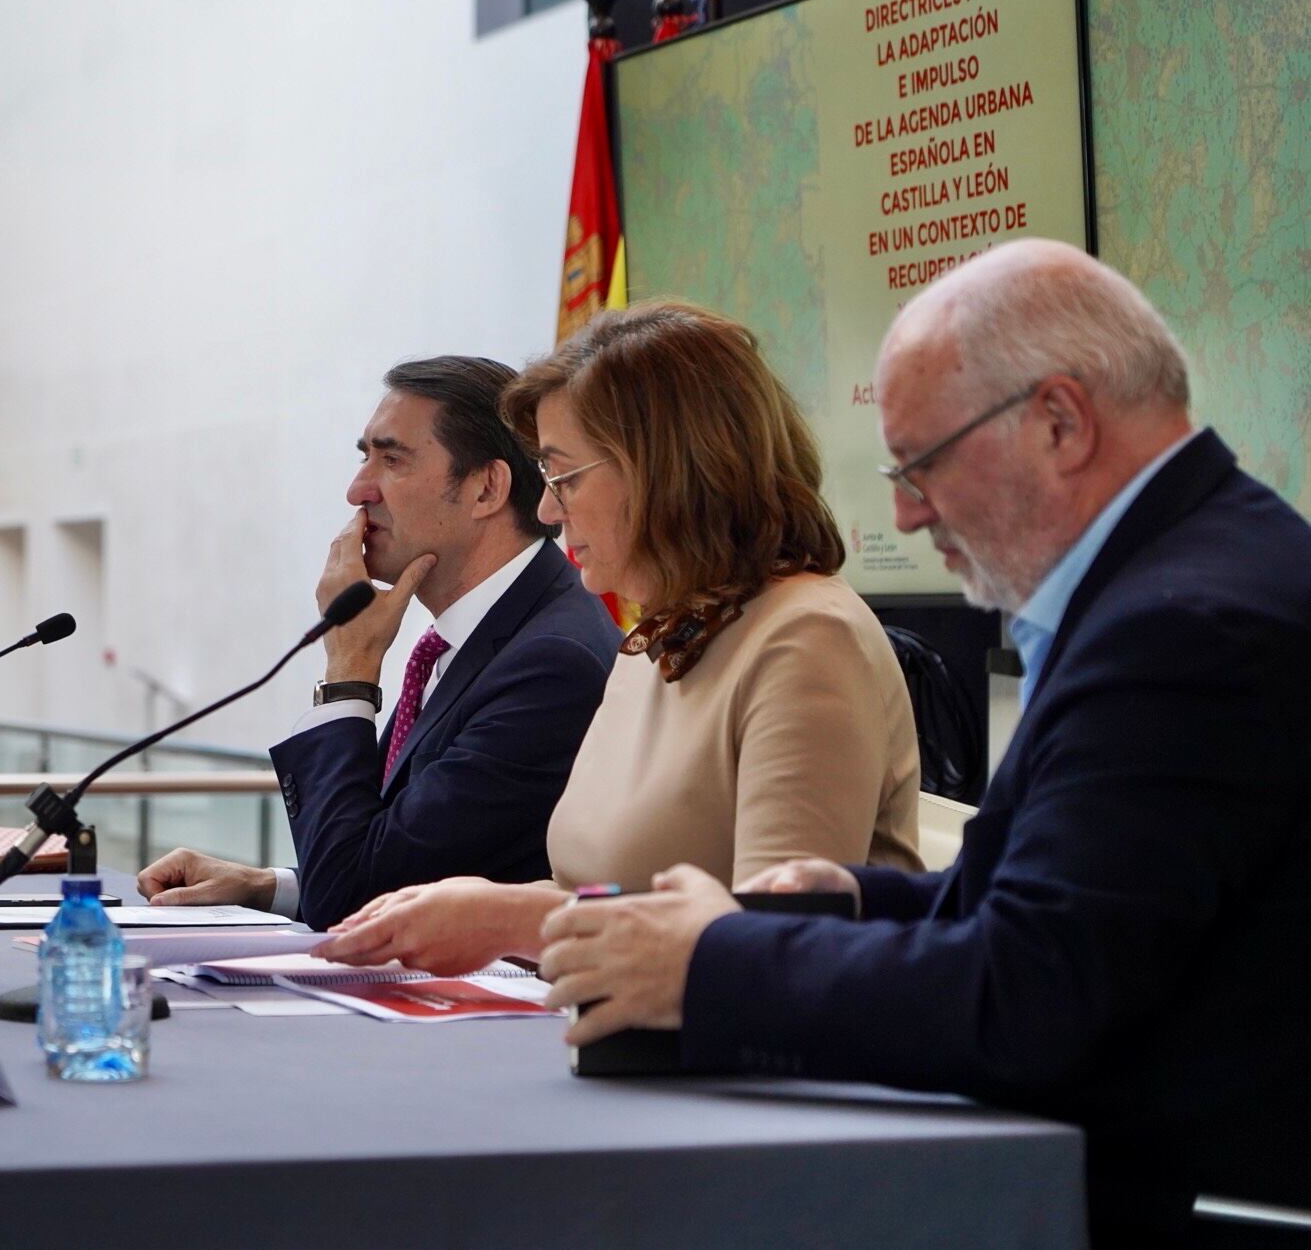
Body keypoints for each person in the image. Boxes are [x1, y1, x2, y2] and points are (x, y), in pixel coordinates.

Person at [537, 240, 1311, 1245]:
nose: (904, 510)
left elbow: (1030, 995)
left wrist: (714, 963)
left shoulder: (1180, 627)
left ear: (1061, 423)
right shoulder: (1182, 576)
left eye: (924, 463)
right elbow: (1066, 904)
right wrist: (855, 896)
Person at [316, 301, 922, 976]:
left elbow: (779, 945)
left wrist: (514, 919)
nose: (546, 509)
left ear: (665, 471)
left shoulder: (807, 638)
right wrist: (472, 907)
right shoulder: (653, 641)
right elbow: (585, 889)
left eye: (563, 477)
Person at [139, 356, 622, 930]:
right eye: (364, 457)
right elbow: (396, 861)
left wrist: (350, 669)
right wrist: (267, 887)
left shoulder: (550, 663)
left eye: (392, 459)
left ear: (486, 488)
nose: (357, 491)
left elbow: (357, 895)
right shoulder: (478, 634)